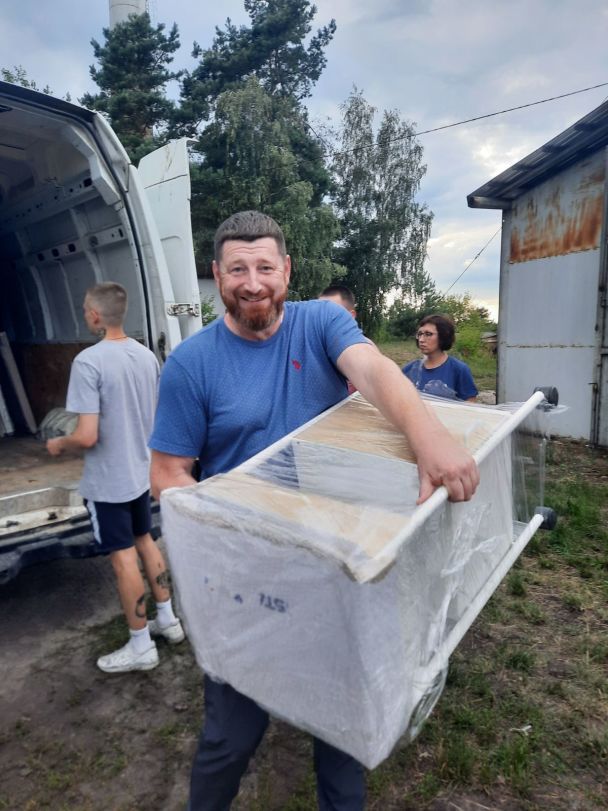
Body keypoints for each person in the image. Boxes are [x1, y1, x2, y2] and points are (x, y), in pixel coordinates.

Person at [149, 211, 479, 810]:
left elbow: (376, 373)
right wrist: (211, 527)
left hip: (333, 567)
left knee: (342, 731)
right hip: (244, 578)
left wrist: (430, 439)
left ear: (287, 270)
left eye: (265, 267)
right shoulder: (190, 365)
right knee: (230, 735)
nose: (253, 283)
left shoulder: (320, 321)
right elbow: (168, 474)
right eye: (238, 269)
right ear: (217, 275)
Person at [47, 282, 183, 673]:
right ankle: (168, 621)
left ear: (94, 314)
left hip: (108, 482)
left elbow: (87, 435)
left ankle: (141, 645)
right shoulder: (146, 357)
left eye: (85, 309)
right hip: (140, 474)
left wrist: (60, 444)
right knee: (146, 541)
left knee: (122, 556)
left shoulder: (88, 363)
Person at [402, 314, 478, 402]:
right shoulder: (410, 369)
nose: (421, 339)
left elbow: (470, 405)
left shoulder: (459, 370)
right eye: (419, 334)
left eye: (428, 334)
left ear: (443, 336)